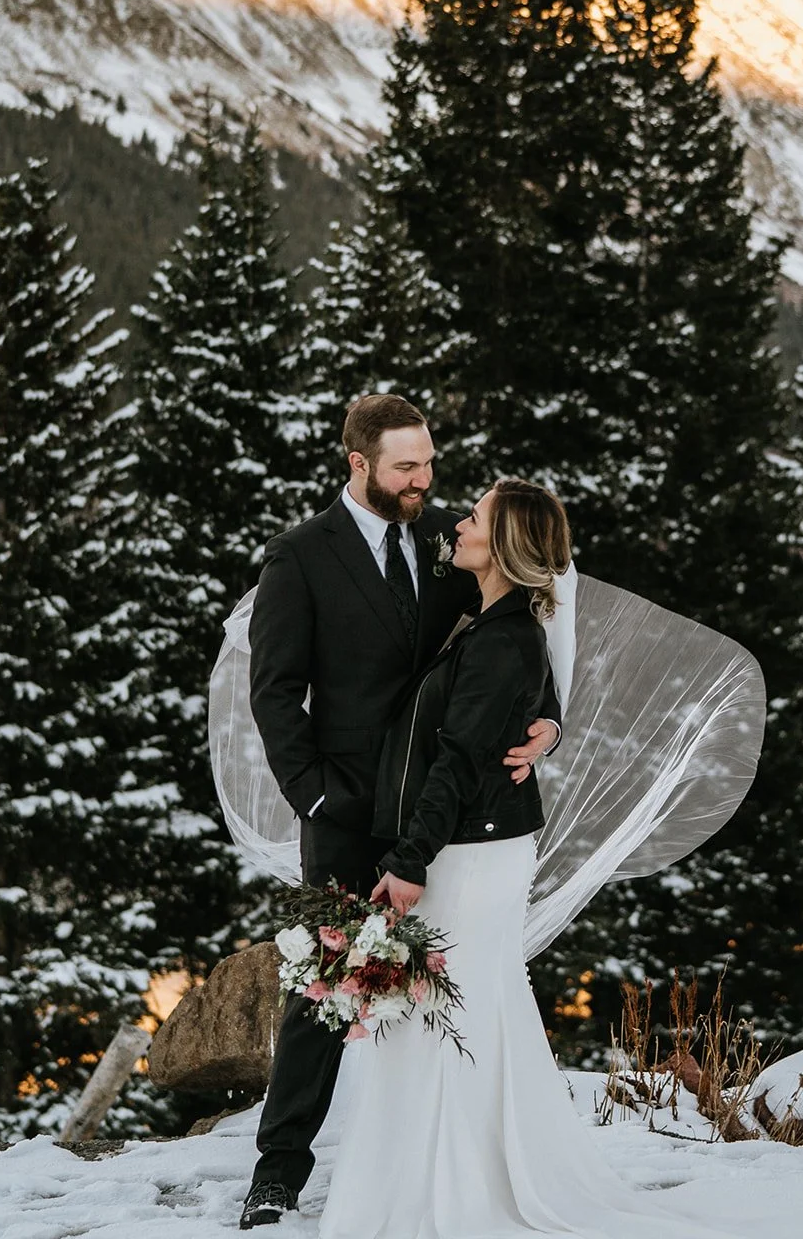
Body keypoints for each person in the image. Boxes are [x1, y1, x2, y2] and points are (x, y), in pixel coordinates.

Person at [318, 478, 676, 1239]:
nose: (459, 521)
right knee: (461, 1007)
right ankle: (450, 1171)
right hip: (472, 843)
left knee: (451, 1008)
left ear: (505, 546)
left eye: (474, 517)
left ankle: (457, 1190)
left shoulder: (503, 636)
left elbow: (459, 759)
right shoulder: (493, 621)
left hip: (467, 853)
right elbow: (532, 686)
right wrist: (547, 718)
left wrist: (409, 861)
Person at [239, 398, 562, 1230]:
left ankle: (430, 1158)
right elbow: (274, 692)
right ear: (358, 464)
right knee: (324, 985)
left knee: (437, 983)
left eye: (427, 464)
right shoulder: (299, 559)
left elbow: (510, 621)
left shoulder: (439, 541)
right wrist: (310, 793)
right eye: (405, 468)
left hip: (435, 811)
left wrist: (549, 718)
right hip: (343, 804)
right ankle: (277, 1172)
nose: (424, 482)